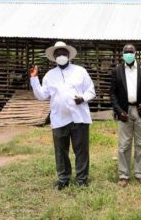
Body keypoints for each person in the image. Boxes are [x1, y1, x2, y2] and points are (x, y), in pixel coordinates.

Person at [30, 41, 96, 190]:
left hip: (79, 117)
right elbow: (41, 95)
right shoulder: (49, 75)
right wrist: (34, 79)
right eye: (58, 54)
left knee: (81, 150)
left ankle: (82, 179)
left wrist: (83, 98)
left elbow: (91, 90)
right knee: (61, 151)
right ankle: (64, 179)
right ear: (54, 57)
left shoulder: (80, 71)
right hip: (59, 118)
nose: (61, 56)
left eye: (64, 53)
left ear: (69, 55)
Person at [110, 43, 141, 187]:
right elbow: (112, 94)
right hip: (124, 111)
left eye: (131, 51)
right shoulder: (117, 70)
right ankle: (124, 175)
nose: (129, 54)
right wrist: (119, 111)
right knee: (124, 145)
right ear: (122, 54)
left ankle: (140, 174)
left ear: (135, 53)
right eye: (126, 52)